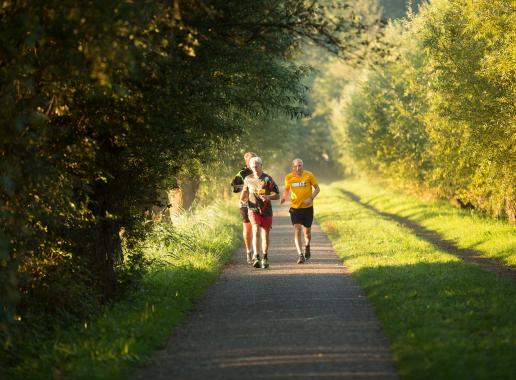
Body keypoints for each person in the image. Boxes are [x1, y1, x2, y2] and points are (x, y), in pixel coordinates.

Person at [239, 156, 280, 268]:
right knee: (255, 229)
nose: (255, 167)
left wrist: (267, 197)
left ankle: (265, 257)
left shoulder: (268, 179)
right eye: (253, 166)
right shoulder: (247, 179)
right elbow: (244, 191)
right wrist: (241, 201)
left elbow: (277, 195)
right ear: (250, 167)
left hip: (266, 210)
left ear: (261, 166)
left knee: (265, 234)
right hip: (253, 209)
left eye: (257, 165)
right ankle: (256, 256)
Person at [280, 158, 320, 264]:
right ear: (292, 167)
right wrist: (284, 197)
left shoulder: (309, 175)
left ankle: (307, 247)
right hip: (295, 208)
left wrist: (310, 198)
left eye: (300, 165)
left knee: (307, 233)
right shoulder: (289, 177)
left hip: (307, 208)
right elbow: (287, 190)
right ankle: (300, 255)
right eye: (296, 166)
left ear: (303, 166)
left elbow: (317, 189)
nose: (298, 167)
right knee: (297, 229)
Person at [231, 152, 257, 264]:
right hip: (245, 204)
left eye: (254, 159)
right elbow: (234, 188)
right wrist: (245, 187)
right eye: (250, 160)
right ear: (246, 162)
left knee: (257, 228)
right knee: (248, 229)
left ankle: (256, 253)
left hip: (257, 203)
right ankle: (248, 251)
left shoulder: (259, 171)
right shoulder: (241, 173)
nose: (252, 162)